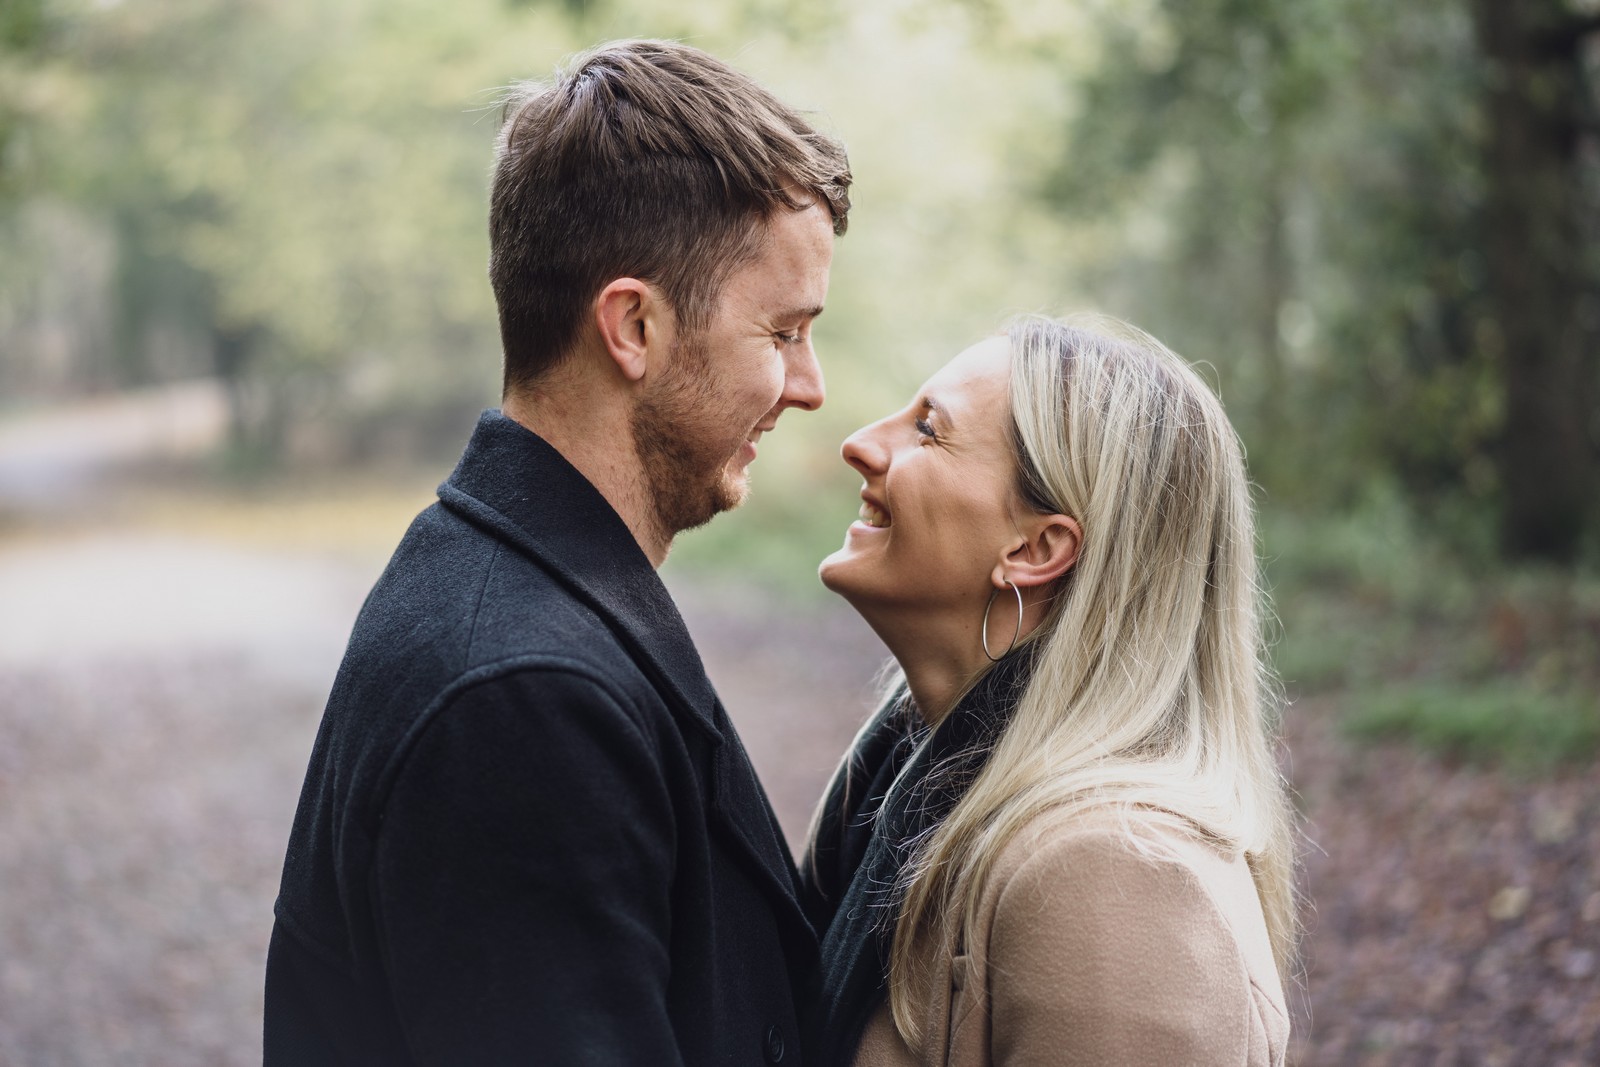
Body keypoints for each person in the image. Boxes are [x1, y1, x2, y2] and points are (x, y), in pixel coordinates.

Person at [264, 39, 850, 1065]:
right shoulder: (522, 695)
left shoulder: (520, 593)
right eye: (783, 332)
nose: (809, 385)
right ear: (632, 326)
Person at [803, 314, 1298, 1066]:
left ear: (1036, 548)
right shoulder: (894, 780)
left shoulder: (1119, 875)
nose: (861, 442)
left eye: (928, 430)